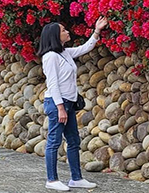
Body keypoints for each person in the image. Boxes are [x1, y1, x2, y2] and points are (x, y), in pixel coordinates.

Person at [37, 17, 108, 191]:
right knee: (54, 142)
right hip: (57, 105)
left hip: (68, 104)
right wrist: (60, 108)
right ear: (55, 35)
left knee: (73, 141)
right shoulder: (50, 57)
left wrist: (97, 30)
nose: (67, 32)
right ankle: (52, 180)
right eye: (63, 30)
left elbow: (86, 47)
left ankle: (76, 178)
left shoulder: (64, 53)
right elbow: (52, 84)